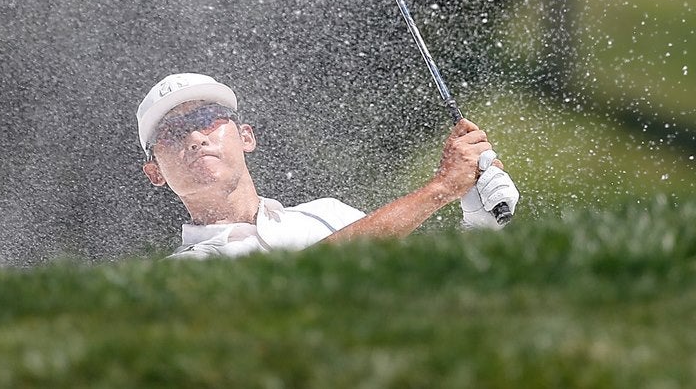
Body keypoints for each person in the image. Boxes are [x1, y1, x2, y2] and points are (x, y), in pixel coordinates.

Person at [137, 72, 520, 258]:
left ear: (247, 137)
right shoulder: (180, 273)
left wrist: (478, 220)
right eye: (172, 132)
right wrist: (440, 189)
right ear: (155, 172)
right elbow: (299, 284)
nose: (194, 137)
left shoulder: (329, 214)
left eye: (207, 118)